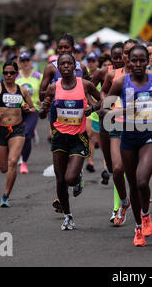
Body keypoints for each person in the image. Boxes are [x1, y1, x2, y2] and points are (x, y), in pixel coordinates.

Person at [104, 45, 152, 247]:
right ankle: (138, 228)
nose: (139, 64)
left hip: (149, 137)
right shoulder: (121, 83)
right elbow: (106, 106)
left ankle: (146, 214)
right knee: (133, 183)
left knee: (142, 182)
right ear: (128, 62)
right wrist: (115, 114)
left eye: (143, 60)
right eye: (135, 60)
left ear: (148, 61)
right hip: (128, 138)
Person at [39, 53, 101, 230]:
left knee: (70, 178)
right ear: (58, 68)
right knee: (60, 180)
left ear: (75, 67)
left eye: (69, 63)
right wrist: (43, 109)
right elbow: (43, 112)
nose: (66, 66)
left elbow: (102, 101)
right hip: (59, 137)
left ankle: (78, 176)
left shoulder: (85, 85)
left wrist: (92, 108)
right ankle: (68, 216)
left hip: (78, 137)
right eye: (62, 64)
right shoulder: (53, 88)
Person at [0, 61, 36, 207]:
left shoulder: (22, 90)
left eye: (11, 73)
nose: (8, 75)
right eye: (6, 73)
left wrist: (26, 109)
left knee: (13, 162)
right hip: (0, 130)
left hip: (17, 130)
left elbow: (33, 109)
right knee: (3, 168)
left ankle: (5, 196)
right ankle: (6, 190)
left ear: (16, 74)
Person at [100, 40, 137, 225]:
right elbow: (104, 92)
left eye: (132, 52)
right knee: (117, 169)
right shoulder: (114, 74)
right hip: (116, 124)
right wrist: (108, 107)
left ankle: (142, 213)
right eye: (126, 52)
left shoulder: (149, 78)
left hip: (139, 127)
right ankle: (122, 204)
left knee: (136, 174)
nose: (128, 56)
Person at [16, 51, 42, 174]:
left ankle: (24, 162)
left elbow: (44, 91)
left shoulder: (38, 76)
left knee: (26, 135)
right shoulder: (15, 76)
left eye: (27, 60)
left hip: (33, 109)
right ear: (19, 63)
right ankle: (17, 155)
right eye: (23, 61)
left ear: (31, 62)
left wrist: (42, 101)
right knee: (17, 136)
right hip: (17, 110)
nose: (25, 63)